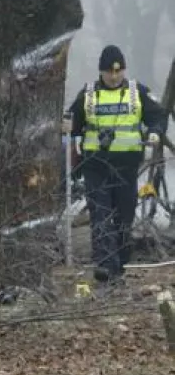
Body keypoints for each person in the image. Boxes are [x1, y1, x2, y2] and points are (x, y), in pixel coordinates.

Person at [68, 45, 166, 284]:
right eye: (109, 72)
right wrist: (68, 128)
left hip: (126, 167)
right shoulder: (88, 94)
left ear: (124, 70)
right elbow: (72, 122)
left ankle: (119, 266)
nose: (114, 77)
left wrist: (154, 131)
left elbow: (158, 115)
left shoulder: (137, 92)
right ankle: (105, 268)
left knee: (124, 218)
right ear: (101, 72)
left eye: (118, 71)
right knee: (100, 217)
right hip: (96, 166)